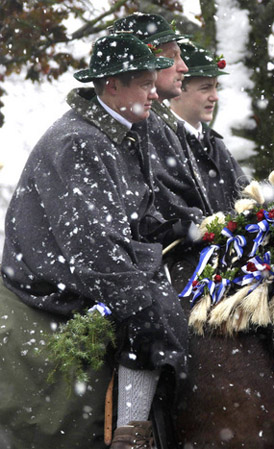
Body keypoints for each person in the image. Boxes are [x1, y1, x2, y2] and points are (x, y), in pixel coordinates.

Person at [1, 34, 187, 449]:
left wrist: (187, 227)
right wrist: (140, 307)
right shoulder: (81, 142)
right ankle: (130, 432)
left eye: (154, 82)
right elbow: (94, 249)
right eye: (144, 84)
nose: (155, 94)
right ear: (111, 86)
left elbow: (137, 214)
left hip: (82, 271)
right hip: (47, 290)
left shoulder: (124, 128)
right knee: (152, 316)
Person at [111, 13, 214, 227]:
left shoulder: (157, 122)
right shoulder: (137, 126)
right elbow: (162, 218)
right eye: (173, 56)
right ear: (145, 60)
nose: (184, 67)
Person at [170, 42, 247, 212]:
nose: (215, 97)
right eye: (205, 88)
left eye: (216, 87)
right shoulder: (164, 143)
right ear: (178, 90)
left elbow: (247, 198)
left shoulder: (215, 143)